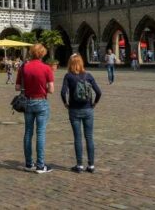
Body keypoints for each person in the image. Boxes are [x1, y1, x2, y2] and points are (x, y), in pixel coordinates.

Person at [15, 44, 55, 174]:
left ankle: (28, 163)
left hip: (27, 102)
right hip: (41, 102)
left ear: (31, 53)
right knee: (40, 133)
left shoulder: (24, 67)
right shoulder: (46, 68)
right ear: (42, 54)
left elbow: (17, 87)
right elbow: (51, 90)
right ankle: (40, 165)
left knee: (28, 132)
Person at [60, 54, 101, 173]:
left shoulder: (68, 76)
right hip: (88, 109)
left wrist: (65, 103)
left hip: (74, 110)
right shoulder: (88, 75)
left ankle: (79, 165)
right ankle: (91, 165)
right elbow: (99, 92)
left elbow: (63, 93)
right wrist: (94, 103)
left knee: (77, 138)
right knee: (89, 137)